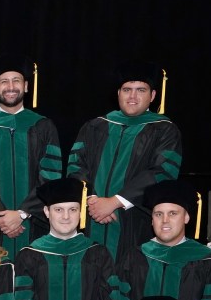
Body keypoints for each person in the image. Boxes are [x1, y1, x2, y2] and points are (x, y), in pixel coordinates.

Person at [66, 60, 182, 262]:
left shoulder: (164, 130)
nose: (133, 96)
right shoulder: (95, 126)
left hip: (135, 221)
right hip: (90, 218)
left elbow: (163, 172)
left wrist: (114, 202)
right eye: (127, 89)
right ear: (118, 93)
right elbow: (76, 165)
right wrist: (92, 201)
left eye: (141, 90)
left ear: (153, 95)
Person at [0, 52, 62, 259]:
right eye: (4, 81)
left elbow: (52, 175)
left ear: (25, 86)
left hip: (34, 223)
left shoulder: (43, 126)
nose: (11, 86)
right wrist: (2, 216)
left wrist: (22, 213)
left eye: (16, 80)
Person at [13, 177, 121, 300]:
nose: (65, 217)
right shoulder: (29, 256)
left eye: (72, 209)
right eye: (58, 210)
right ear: (46, 212)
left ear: (81, 212)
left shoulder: (97, 253)